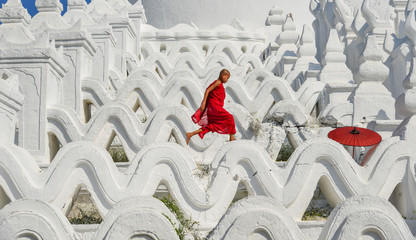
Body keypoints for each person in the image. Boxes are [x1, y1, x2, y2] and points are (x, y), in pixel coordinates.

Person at [186, 69, 236, 145]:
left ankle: (190, 134)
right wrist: (203, 102)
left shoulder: (220, 84)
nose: (227, 80)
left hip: (213, 108)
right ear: (223, 75)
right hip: (214, 107)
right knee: (230, 117)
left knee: (212, 126)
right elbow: (208, 90)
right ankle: (231, 137)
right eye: (227, 78)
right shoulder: (218, 82)